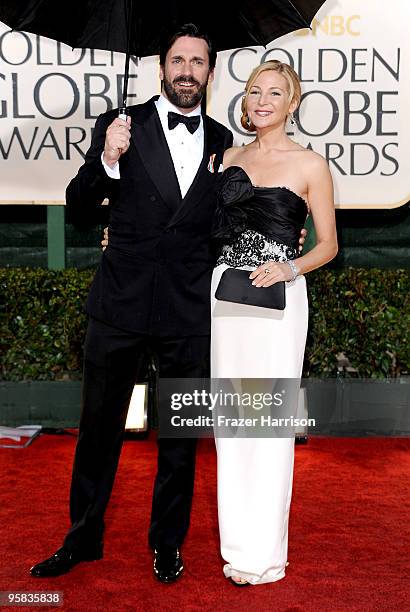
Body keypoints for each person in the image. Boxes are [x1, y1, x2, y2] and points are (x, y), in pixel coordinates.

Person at [29, 23, 233, 584]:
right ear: (160, 68)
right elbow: (78, 202)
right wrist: (109, 159)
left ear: (210, 72)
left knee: (181, 439)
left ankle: (168, 545)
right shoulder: (122, 125)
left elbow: (216, 227)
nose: (187, 70)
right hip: (119, 305)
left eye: (197, 61)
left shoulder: (220, 139)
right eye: (177, 60)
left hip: (188, 312)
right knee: (98, 430)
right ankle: (81, 540)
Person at [210, 60, 338, 586]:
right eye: (255, 91)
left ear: (292, 103)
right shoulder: (225, 158)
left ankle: (264, 556)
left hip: (279, 302)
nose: (263, 100)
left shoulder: (310, 165)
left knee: (267, 425)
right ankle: (237, 551)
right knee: (231, 425)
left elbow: (328, 245)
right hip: (223, 298)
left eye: (275, 92)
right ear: (245, 100)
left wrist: (289, 266)